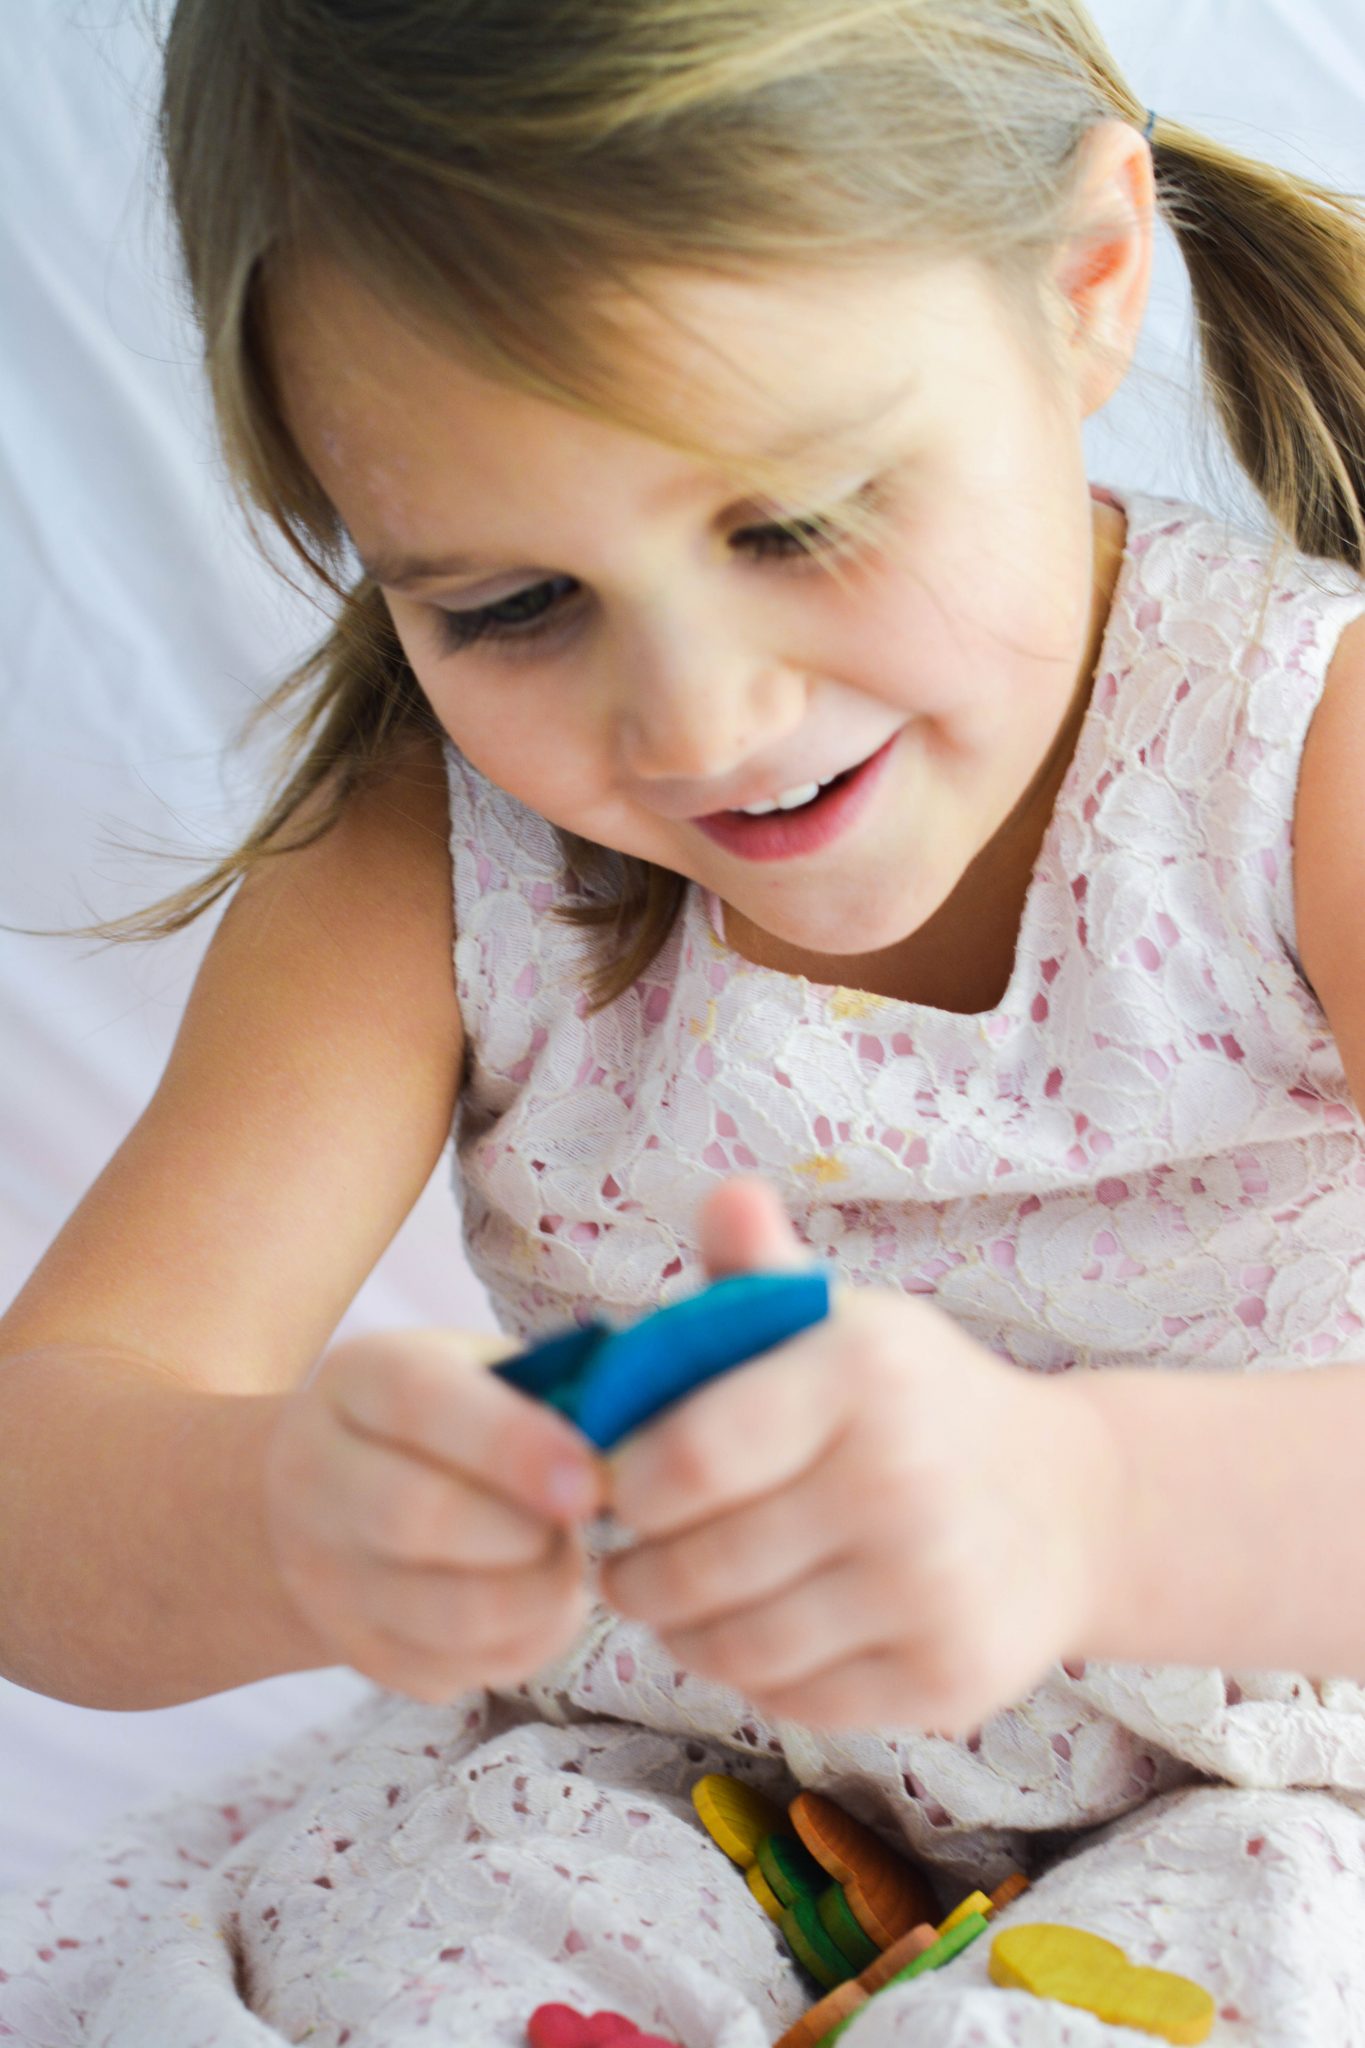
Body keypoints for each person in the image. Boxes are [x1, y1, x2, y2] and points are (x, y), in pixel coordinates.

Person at [5, 0, 1365, 2039]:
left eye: (795, 517)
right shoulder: (429, 858)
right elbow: (51, 1481)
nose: (700, 721)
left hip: (1277, 1796)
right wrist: (283, 1513)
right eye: (511, 605)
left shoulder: (1296, 764)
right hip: (667, 1803)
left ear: (1083, 287)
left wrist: (1084, 1505)